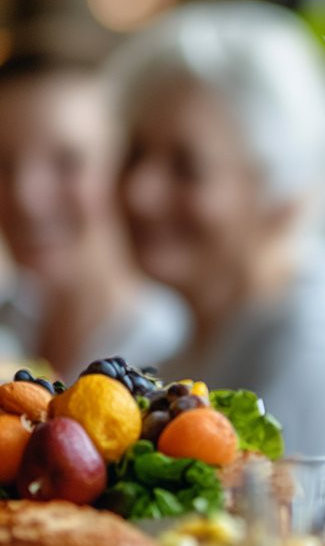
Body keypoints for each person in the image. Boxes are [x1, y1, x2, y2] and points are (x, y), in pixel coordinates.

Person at [109, 0, 325, 479]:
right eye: (135, 152)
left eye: (187, 167)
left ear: (283, 192)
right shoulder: (163, 334)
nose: (138, 192)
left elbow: (304, 542)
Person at [0, 48, 188, 380]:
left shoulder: (174, 349)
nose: (26, 197)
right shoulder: (11, 322)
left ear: (127, 169)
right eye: (3, 163)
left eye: (67, 162)